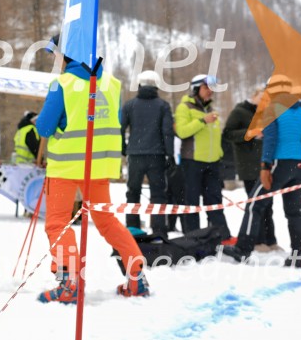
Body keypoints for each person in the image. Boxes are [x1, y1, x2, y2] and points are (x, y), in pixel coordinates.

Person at [37, 35, 149, 303]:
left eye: (55, 54)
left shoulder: (61, 84)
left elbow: (44, 127)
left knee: (58, 224)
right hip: (99, 166)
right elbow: (115, 121)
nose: (55, 60)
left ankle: (69, 283)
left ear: (66, 55)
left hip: (65, 166)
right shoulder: (112, 84)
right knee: (107, 222)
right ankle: (137, 278)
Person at [223, 75, 301, 266]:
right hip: (300, 166)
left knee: (255, 204)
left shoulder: (272, 110)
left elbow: (270, 141)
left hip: (279, 163)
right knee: (295, 212)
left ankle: (242, 249)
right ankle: (299, 256)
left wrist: (265, 167)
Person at [223, 85, 279, 251]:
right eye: (262, 98)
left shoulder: (267, 114)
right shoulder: (240, 111)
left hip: (265, 164)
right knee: (256, 206)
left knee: (268, 204)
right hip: (248, 165)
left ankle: (270, 240)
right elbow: (228, 133)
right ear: (254, 96)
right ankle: (257, 241)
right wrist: (251, 133)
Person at [174, 74, 230, 237]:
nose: (210, 91)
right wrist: (202, 121)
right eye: (206, 88)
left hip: (212, 163)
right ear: (196, 89)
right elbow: (182, 132)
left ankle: (221, 236)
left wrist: (219, 156)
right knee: (191, 202)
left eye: (212, 88)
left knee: (215, 201)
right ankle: (193, 237)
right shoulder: (184, 107)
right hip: (192, 162)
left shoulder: (212, 110)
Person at [121, 70, 174, 234]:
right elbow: (167, 131)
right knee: (158, 193)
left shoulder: (129, 105)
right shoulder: (163, 106)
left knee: (133, 192)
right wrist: (170, 153)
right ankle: (158, 229)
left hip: (135, 155)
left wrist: (124, 148)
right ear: (157, 86)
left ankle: (132, 227)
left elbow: (120, 128)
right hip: (156, 156)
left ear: (139, 84)